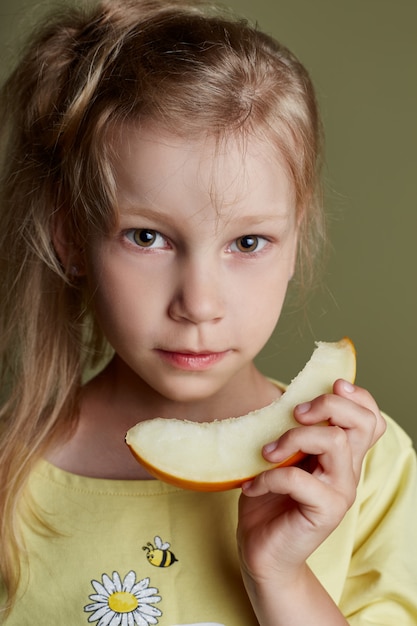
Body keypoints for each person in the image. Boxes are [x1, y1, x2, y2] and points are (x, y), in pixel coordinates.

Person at [0, 0, 416, 624]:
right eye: (147, 237)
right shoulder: (11, 473)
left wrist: (279, 576)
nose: (199, 304)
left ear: (295, 240)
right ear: (68, 236)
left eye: (248, 243)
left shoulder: (367, 467)